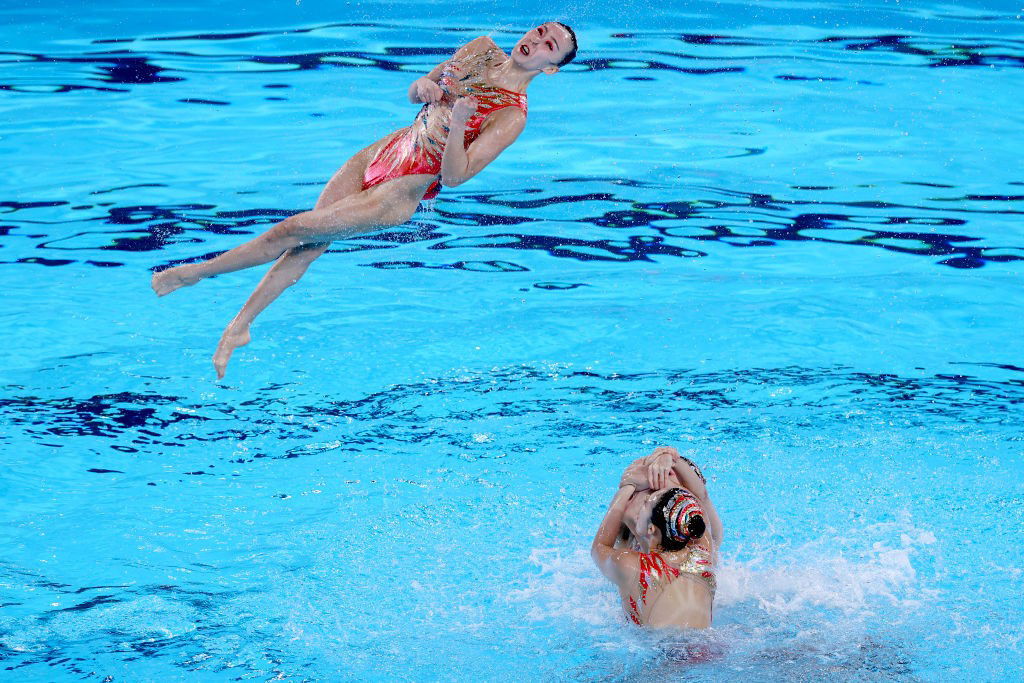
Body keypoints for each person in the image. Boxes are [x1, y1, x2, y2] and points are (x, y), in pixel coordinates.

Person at [150, 23, 579, 378]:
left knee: (292, 230)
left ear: (551, 69)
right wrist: (422, 85)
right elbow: (419, 92)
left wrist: (461, 122)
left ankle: (196, 274)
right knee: (309, 244)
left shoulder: (512, 115)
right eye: (540, 31)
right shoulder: (480, 48)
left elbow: (454, 178)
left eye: (549, 46)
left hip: (402, 190)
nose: (537, 41)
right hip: (385, 151)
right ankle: (239, 326)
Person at [591, 446, 724, 629]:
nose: (651, 489)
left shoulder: (627, 563)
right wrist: (667, 459)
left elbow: (600, 547)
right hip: (709, 646)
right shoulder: (701, 551)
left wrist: (628, 487)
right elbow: (693, 501)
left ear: (651, 528)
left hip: (660, 652)